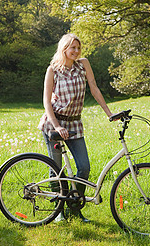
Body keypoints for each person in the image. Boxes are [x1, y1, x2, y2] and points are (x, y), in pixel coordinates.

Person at [38, 33, 113, 222]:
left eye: (78, 48)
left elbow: (94, 88)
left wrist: (109, 113)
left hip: (75, 124)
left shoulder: (83, 64)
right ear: (64, 49)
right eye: (73, 48)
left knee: (84, 167)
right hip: (54, 124)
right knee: (56, 170)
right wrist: (56, 126)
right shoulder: (52, 70)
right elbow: (46, 102)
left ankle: (75, 206)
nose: (77, 51)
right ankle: (58, 210)